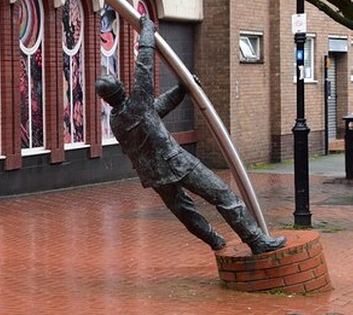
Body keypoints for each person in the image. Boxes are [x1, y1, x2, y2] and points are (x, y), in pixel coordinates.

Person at [95, 17, 286, 255]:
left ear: (105, 99)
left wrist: (181, 90)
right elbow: (144, 65)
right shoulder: (137, 105)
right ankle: (256, 240)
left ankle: (215, 241)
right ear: (121, 88)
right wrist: (146, 30)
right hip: (175, 162)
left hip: (154, 175)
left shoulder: (117, 120)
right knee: (222, 194)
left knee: (185, 211)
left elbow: (156, 110)